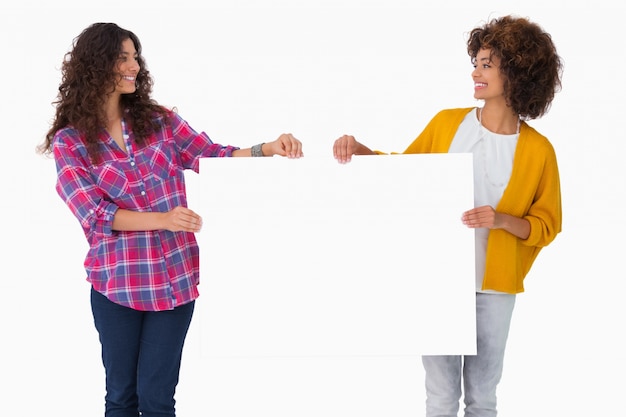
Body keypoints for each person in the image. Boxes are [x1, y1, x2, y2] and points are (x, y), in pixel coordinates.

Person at [38, 22, 303, 417]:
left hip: (173, 281)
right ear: (97, 65)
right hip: (116, 286)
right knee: (121, 398)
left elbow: (210, 155)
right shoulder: (71, 141)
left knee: (158, 400)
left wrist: (268, 149)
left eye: (135, 57)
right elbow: (95, 215)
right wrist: (163, 219)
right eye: (123, 57)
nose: (134, 66)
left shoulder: (158, 121)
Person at [332, 15, 562, 417]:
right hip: (437, 280)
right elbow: (403, 174)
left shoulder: (539, 151)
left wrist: (501, 219)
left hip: (495, 291)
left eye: (487, 64)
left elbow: (547, 226)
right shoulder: (447, 124)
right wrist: (362, 149)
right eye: (476, 62)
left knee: (482, 399)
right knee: (439, 398)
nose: (475, 71)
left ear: (518, 71)